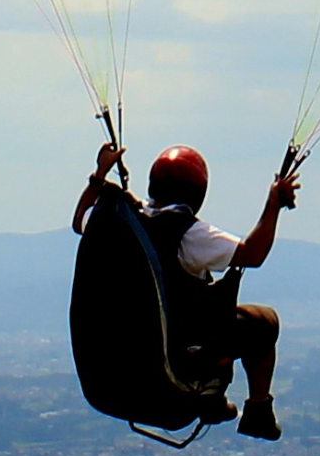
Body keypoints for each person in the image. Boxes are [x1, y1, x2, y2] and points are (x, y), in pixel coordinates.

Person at [76, 139, 299, 439]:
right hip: (169, 386)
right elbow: (253, 254)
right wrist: (274, 203)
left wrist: (99, 174)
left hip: (107, 386)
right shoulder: (188, 233)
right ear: (198, 194)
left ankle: (214, 395)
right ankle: (256, 411)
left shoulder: (118, 223)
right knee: (263, 322)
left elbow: (79, 220)